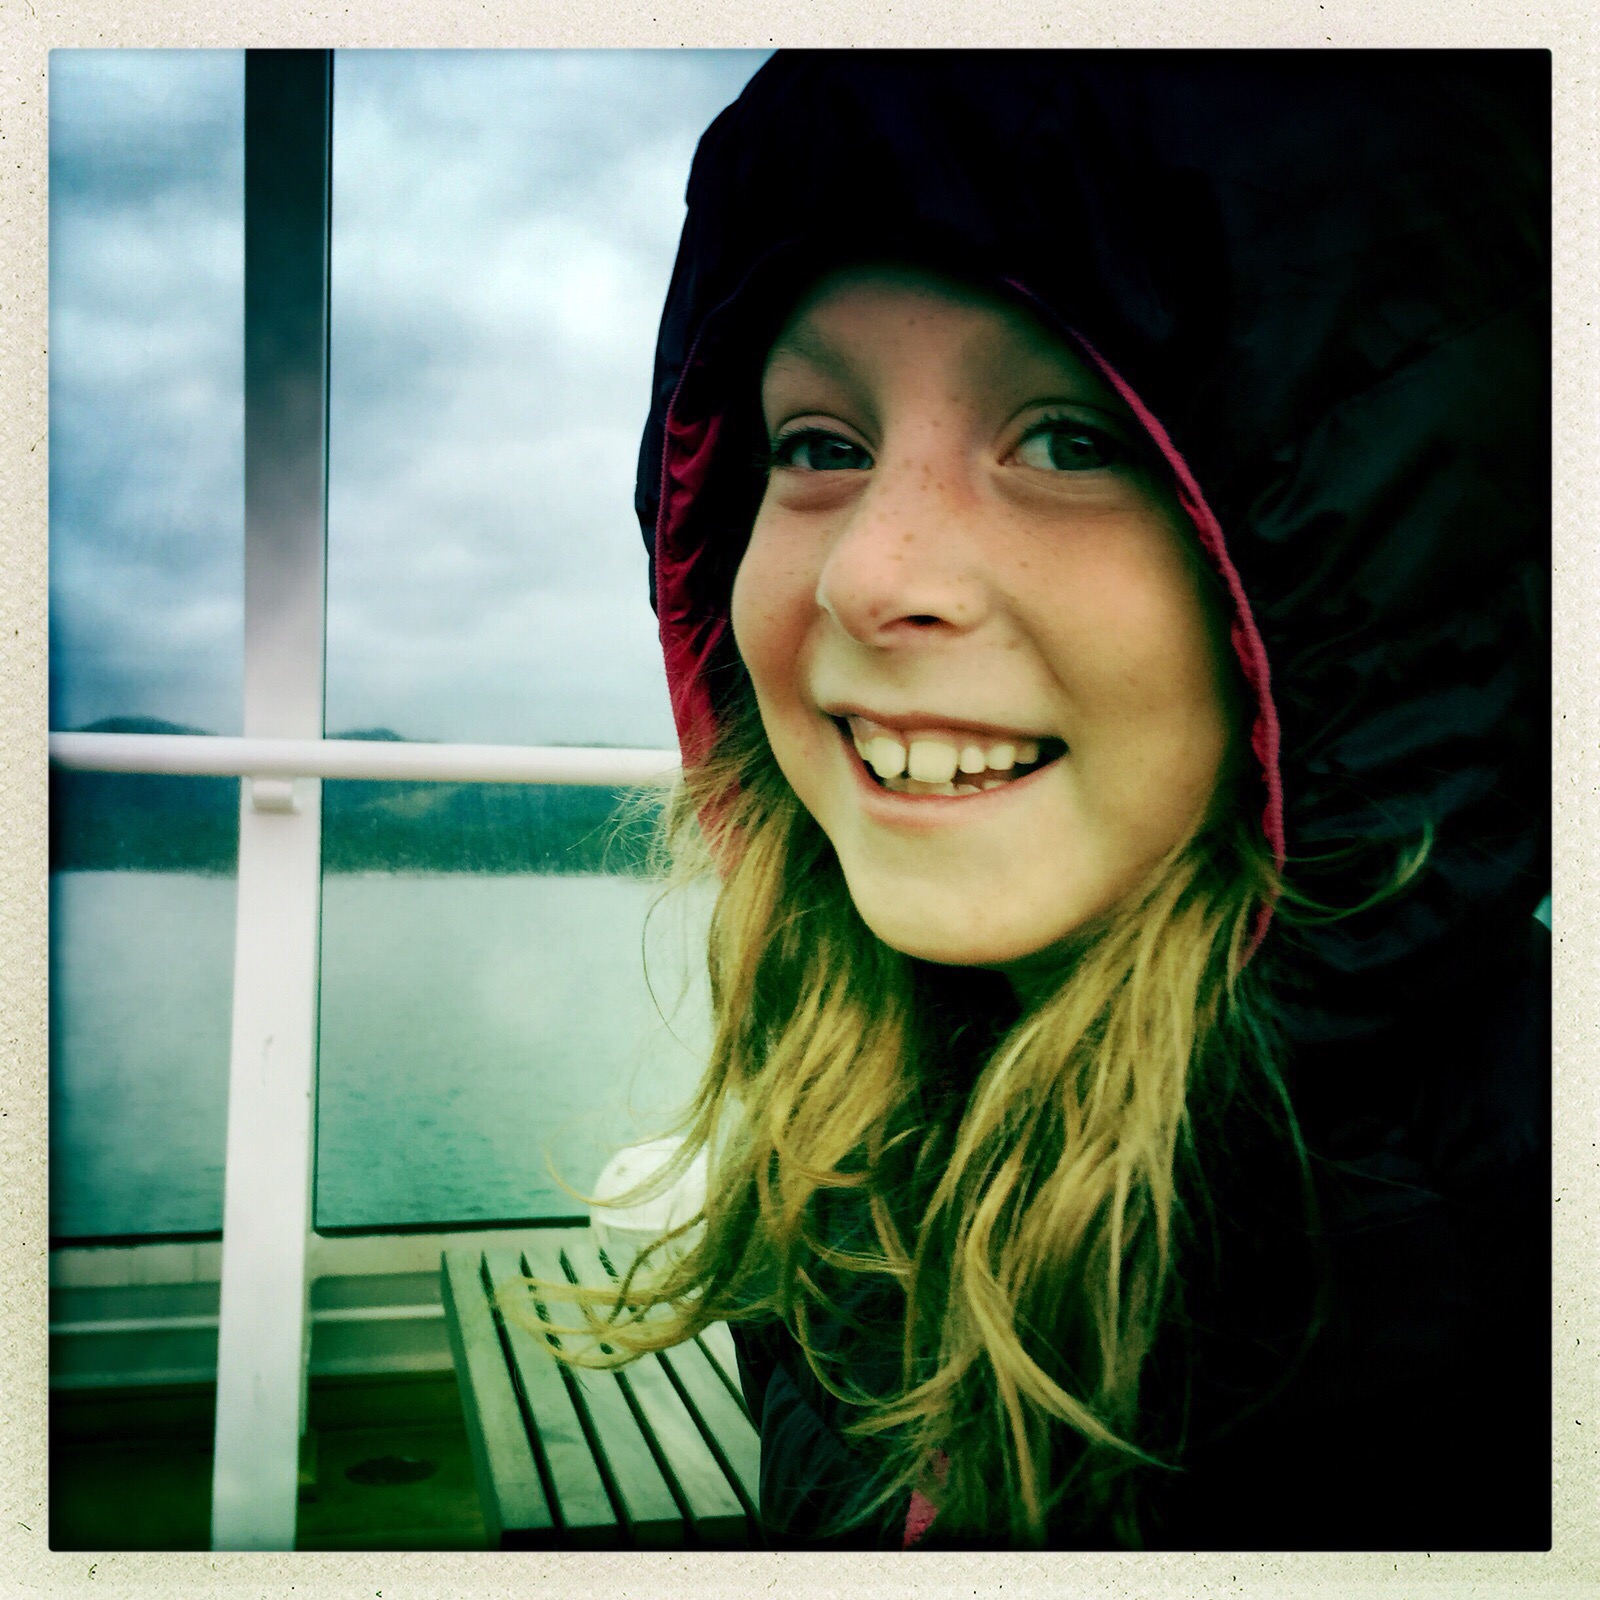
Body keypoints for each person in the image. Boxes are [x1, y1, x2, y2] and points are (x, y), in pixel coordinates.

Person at [584, 51, 1548, 1550]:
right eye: (820, 447)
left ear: (1376, 578)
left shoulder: (1500, 1296)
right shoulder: (854, 1101)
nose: (869, 576)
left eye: (1073, 439)